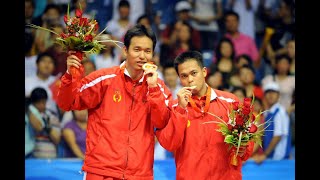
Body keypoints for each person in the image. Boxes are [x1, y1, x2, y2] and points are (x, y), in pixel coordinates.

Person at [56, 24, 172, 179]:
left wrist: (153, 89)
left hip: (139, 174)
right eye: (137, 50)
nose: (142, 56)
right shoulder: (104, 79)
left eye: (147, 51)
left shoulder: (158, 87)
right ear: (125, 50)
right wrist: (71, 75)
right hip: (101, 172)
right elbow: (68, 103)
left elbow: (162, 122)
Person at [155, 51, 254, 180]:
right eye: (184, 76)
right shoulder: (175, 107)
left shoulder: (230, 102)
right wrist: (180, 109)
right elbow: (169, 144)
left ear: (204, 72)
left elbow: (248, 138)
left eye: (194, 73)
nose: (190, 79)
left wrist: (243, 148)